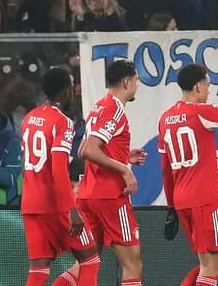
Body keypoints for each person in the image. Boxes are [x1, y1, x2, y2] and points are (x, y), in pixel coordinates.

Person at [158, 59, 218, 286]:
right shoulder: (201, 112)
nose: (209, 91)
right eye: (208, 86)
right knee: (211, 267)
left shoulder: (165, 119)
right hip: (205, 200)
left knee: (206, 264)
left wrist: (171, 207)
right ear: (198, 87)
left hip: (182, 201)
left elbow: (165, 170)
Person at [19, 67, 100, 286]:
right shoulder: (62, 122)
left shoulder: (28, 118)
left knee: (39, 269)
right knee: (90, 258)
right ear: (66, 92)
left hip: (30, 203)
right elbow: (57, 169)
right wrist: (72, 209)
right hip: (55, 205)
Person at [75, 59, 146, 286]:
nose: (137, 85)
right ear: (126, 82)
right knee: (133, 265)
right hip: (110, 198)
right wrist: (125, 169)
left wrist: (123, 157)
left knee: (87, 263)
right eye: (136, 81)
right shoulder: (114, 108)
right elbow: (88, 150)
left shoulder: (99, 106)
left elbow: (81, 149)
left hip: (88, 195)